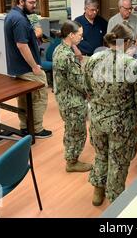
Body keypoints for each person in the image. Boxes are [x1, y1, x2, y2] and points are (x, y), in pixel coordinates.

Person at [84, 24, 137, 206]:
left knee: (101, 154)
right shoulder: (132, 65)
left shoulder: (94, 59)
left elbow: (87, 88)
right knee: (118, 161)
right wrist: (134, 115)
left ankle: (98, 191)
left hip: (97, 120)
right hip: (121, 123)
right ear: (126, 42)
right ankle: (116, 201)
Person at [4, 0, 52, 138]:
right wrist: (34, 67)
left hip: (18, 68)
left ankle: (25, 126)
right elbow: (22, 45)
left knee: (25, 98)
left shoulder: (12, 15)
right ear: (21, 2)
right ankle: (36, 129)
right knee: (39, 96)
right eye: (31, 2)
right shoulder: (19, 20)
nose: (34, 5)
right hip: (27, 68)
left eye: (35, 2)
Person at [52, 20, 93, 173]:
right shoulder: (68, 56)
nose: (81, 38)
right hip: (73, 101)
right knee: (78, 132)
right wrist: (92, 91)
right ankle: (72, 161)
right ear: (71, 35)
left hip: (63, 98)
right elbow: (79, 82)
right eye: (79, 35)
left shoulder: (59, 49)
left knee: (70, 130)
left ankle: (70, 157)